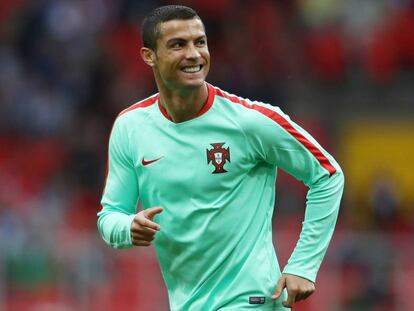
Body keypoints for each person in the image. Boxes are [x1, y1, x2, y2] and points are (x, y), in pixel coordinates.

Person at [97, 5, 344, 311]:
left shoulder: (250, 121)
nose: (194, 54)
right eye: (178, 45)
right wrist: (128, 226)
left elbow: (328, 175)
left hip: (252, 301)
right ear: (149, 56)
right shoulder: (130, 127)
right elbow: (110, 216)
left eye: (199, 42)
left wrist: (303, 265)